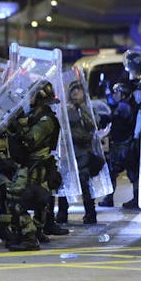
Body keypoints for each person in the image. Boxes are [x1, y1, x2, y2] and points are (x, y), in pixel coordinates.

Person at [5, 80, 62, 251]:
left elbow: (30, 140)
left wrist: (19, 123)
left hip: (36, 166)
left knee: (17, 201)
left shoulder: (46, 119)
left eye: (31, 95)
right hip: (32, 164)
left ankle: (30, 237)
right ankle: (33, 232)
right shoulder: (36, 115)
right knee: (37, 202)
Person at [57, 81, 97, 225]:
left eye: (78, 90)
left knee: (85, 184)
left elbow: (93, 127)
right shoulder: (66, 110)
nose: (75, 93)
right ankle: (62, 213)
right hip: (68, 153)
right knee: (65, 184)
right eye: (72, 90)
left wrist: (82, 110)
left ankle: (91, 213)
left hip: (83, 153)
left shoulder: (87, 110)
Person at [99, 82, 139, 208]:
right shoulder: (126, 105)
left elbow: (113, 118)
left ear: (123, 94)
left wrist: (104, 117)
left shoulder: (123, 106)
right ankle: (135, 198)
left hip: (123, 146)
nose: (114, 95)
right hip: (124, 144)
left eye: (117, 92)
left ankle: (111, 198)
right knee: (130, 173)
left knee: (116, 172)